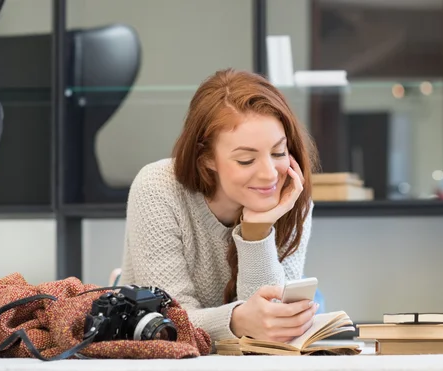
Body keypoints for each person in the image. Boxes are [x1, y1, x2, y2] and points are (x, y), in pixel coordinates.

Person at [119, 68, 320, 344]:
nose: (270, 174)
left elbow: (267, 332)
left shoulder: (290, 196)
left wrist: (257, 231)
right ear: (206, 160)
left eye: (278, 152)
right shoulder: (158, 188)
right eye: (246, 160)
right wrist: (236, 321)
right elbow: (166, 322)